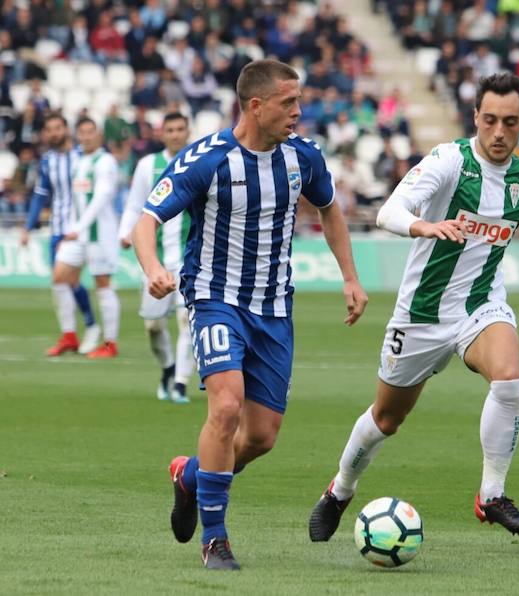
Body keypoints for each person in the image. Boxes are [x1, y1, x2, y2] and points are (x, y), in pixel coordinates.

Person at [307, 73, 519, 541]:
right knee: (386, 419)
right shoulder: (450, 161)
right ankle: (341, 490)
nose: (498, 132)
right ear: (475, 117)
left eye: (510, 122)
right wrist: (424, 228)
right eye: (489, 120)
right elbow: (390, 210)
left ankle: (491, 495)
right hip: (422, 313)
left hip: (481, 306)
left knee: (510, 376)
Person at [131, 59, 367, 570]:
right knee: (226, 406)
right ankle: (215, 540)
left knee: (261, 437)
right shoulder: (207, 159)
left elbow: (329, 210)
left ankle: (190, 477)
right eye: (289, 103)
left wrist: (349, 276)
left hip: (274, 307)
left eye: (299, 101)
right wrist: (153, 268)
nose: (299, 112)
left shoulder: (303, 158)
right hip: (215, 299)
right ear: (255, 106)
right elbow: (146, 222)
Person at [118, 112, 194, 404]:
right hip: (155, 259)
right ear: (163, 134)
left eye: (180, 129)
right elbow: (134, 205)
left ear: (188, 132)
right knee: (153, 325)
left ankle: (180, 383)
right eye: (170, 129)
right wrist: (126, 233)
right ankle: (167, 368)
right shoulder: (148, 165)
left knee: (187, 319)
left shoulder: (199, 162)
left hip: (190, 257)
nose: (175, 134)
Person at [21, 113, 100, 356]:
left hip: (82, 229)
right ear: (45, 133)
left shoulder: (83, 157)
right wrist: (28, 226)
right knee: (63, 281)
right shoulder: (46, 161)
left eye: (58, 128)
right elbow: (40, 196)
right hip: (58, 229)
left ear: (66, 129)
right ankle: (73, 334)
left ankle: (89, 327)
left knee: (68, 280)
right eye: (49, 129)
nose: (54, 133)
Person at [49, 117, 121, 359]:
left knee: (103, 285)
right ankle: (69, 335)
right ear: (77, 135)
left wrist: (78, 228)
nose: (87, 136)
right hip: (77, 233)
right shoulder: (78, 162)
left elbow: (101, 198)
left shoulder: (106, 161)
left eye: (91, 132)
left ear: (98, 135)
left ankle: (110, 344)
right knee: (59, 277)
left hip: (99, 234)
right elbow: (75, 202)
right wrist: (70, 229)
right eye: (82, 133)